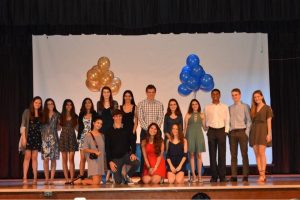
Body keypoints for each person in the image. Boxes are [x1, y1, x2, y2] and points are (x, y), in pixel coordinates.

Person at [105, 109, 140, 184]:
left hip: (126, 155)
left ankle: (127, 175)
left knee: (137, 162)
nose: (118, 118)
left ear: (122, 117)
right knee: (118, 181)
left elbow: (132, 142)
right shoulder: (109, 131)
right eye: (116, 116)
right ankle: (118, 177)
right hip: (116, 159)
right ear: (113, 118)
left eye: (120, 116)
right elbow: (107, 148)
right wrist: (110, 162)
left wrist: (133, 153)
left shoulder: (127, 128)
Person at [204, 89, 230, 183]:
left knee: (222, 154)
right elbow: (205, 120)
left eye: (217, 94)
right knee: (212, 154)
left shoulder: (224, 107)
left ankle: (222, 176)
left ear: (220, 95)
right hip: (211, 131)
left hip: (221, 130)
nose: (215, 95)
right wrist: (206, 129)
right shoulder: (207, 107)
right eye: (213, 94)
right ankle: (214, 176)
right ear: (211, 95)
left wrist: (226, 131)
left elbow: (227, 119)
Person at [138, 84, 164, 176]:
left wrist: (154, 129)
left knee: (157, 153)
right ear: (146, 92)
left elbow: (160, 118)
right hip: (145, 132)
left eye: (153, 92)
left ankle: (157, 173)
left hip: (156, 132)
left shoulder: (159, 104)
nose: (151, 94)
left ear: (155, 93)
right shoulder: (141, 104)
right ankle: (143, 176)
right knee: (144, 154)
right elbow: (140, 119)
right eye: (149, 92)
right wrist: (149, 130)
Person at [249, 90, 273, 182]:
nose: (256, 98)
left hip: (263, 130)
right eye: (255, 97)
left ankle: (263, 175)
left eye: (258, 96)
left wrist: (269, 133)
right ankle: (260, 174)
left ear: (262, 97)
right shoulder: (253, 108)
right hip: (254, 131)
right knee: (257, 154)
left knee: (262, 153)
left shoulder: (267, 108)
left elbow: (269, 122)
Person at [229, 88, 251, 182]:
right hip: (232, 133)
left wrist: (247, 133)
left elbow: (249, 120)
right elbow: (228, 121)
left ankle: (245, 175)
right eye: (233, 95)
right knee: (233, 155)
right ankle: (234, 176)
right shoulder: (230, 107)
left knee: (244, 154)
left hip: (242, 132)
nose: (234, 97)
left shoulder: (245, 106)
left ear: (240, 95)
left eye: (236, 94)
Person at [74, 116, 105, 185]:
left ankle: (84, 182)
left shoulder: (102, 135)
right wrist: (94, 151)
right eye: (98, 123)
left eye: (101, 124)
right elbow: (84, 149)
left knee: (98, 181)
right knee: (95, 182)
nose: (99, 125)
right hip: (93, 160)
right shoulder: (88, 135)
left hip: (100, 160)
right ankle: (81, 181)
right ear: (93, 123)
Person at [97, 86, 118, 182]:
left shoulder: (114, 103)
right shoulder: (99, 104)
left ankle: (111, 174)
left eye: (108, 92)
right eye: (104, 92)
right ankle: (104, 175)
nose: (106, 94)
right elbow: (98, 118)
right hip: (102, 132)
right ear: (102, 94)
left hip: (112, 132)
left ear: (110, 93)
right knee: (103, 154)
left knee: (112, 152)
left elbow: (117, 117)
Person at [20, 96, 43, 184]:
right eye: (36, 102)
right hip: (28, 137)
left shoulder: (41, 113)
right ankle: (25, 177)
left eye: (39, 103)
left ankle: (35, 178)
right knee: (27, 157)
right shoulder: (27, 111)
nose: (38, 104)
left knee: (35, 158)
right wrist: (24, 138)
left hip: (37, 138)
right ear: (33, 103)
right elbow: (23, 125)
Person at [184, 99, 206, 183]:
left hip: (199, 135)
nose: (194, 105)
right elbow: (185, 127)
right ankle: (194, 175)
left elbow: (204, 127)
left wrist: (211, 125)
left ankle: (200, 176)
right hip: (190, 135)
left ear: (198, 105)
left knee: (199, 155)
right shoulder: (188, 114)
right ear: (191, 105)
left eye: (196, 104)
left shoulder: (202, 114)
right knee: (192, 155)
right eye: (192, 104)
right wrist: (184, 139)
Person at [77, 98, 98, 180]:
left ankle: (91, 176)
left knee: (91, 159)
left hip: (92, 138)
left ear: (91, 104)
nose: (88, 104)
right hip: (83, 138)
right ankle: (81, 176)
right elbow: (79, 126)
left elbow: (97, 126)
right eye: (86, 103)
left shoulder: (95, 114)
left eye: (89, 102)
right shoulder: (81, 114)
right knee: (82, 158)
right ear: (84, 105)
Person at [41, 98, 60, 185]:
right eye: (48, 104)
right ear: (46, 105)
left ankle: (52, 179)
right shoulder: (42, 114)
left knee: (53, 160)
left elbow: (59, 127)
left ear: (54, 104)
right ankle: (46, 179)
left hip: (54, 139)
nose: (50, 105)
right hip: (44, 139)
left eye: (51, 103)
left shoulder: (57, 115)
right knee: (45, 160)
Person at [59, 99, 78, 184]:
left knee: (71, 159)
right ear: (64, 106)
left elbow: (78, 128)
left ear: (72, 106)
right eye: (67, 105)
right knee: (64, 159)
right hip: (63, 137)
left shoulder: (75, 116)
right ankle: (66, 179)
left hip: (72, 137)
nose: (68, 106)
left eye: (70, 104)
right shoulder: (61, 116)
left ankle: (72, 179)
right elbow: (58, 127)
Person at [120, 90, 138, 177]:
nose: (127, 97)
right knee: (124, 151)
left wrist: (133, 131)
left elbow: (136, 121)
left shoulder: (135, 107)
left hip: (131, 131)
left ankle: (128, 175)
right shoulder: (120, 107)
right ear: (124, 97)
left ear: (131, 97)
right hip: (123, 133)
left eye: (129, 96)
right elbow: (119, 121)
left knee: (132, 151)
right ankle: (123, 173)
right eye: (126, 96)